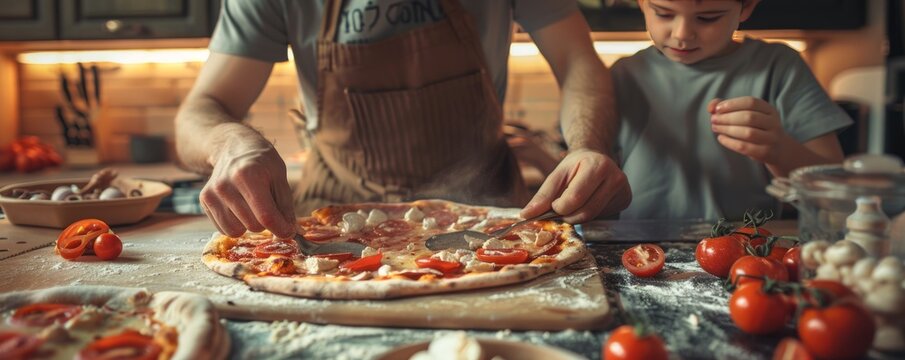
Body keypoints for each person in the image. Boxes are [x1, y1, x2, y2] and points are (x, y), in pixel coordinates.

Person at [175, 0, 631, 239]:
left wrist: (586, 145)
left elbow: (578, 61)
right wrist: (230, 143)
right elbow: (203, 107)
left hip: (489, 228)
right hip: (326, 232)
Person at [612, 0, 851, 220]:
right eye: (664, 14)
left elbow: (837, 194)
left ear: (746, 7)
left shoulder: (779, 67)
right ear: (642, 3)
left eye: (708, 18)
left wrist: (779, 150)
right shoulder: (622, 75)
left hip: (746, 248)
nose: (682, 34)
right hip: (636, 250)